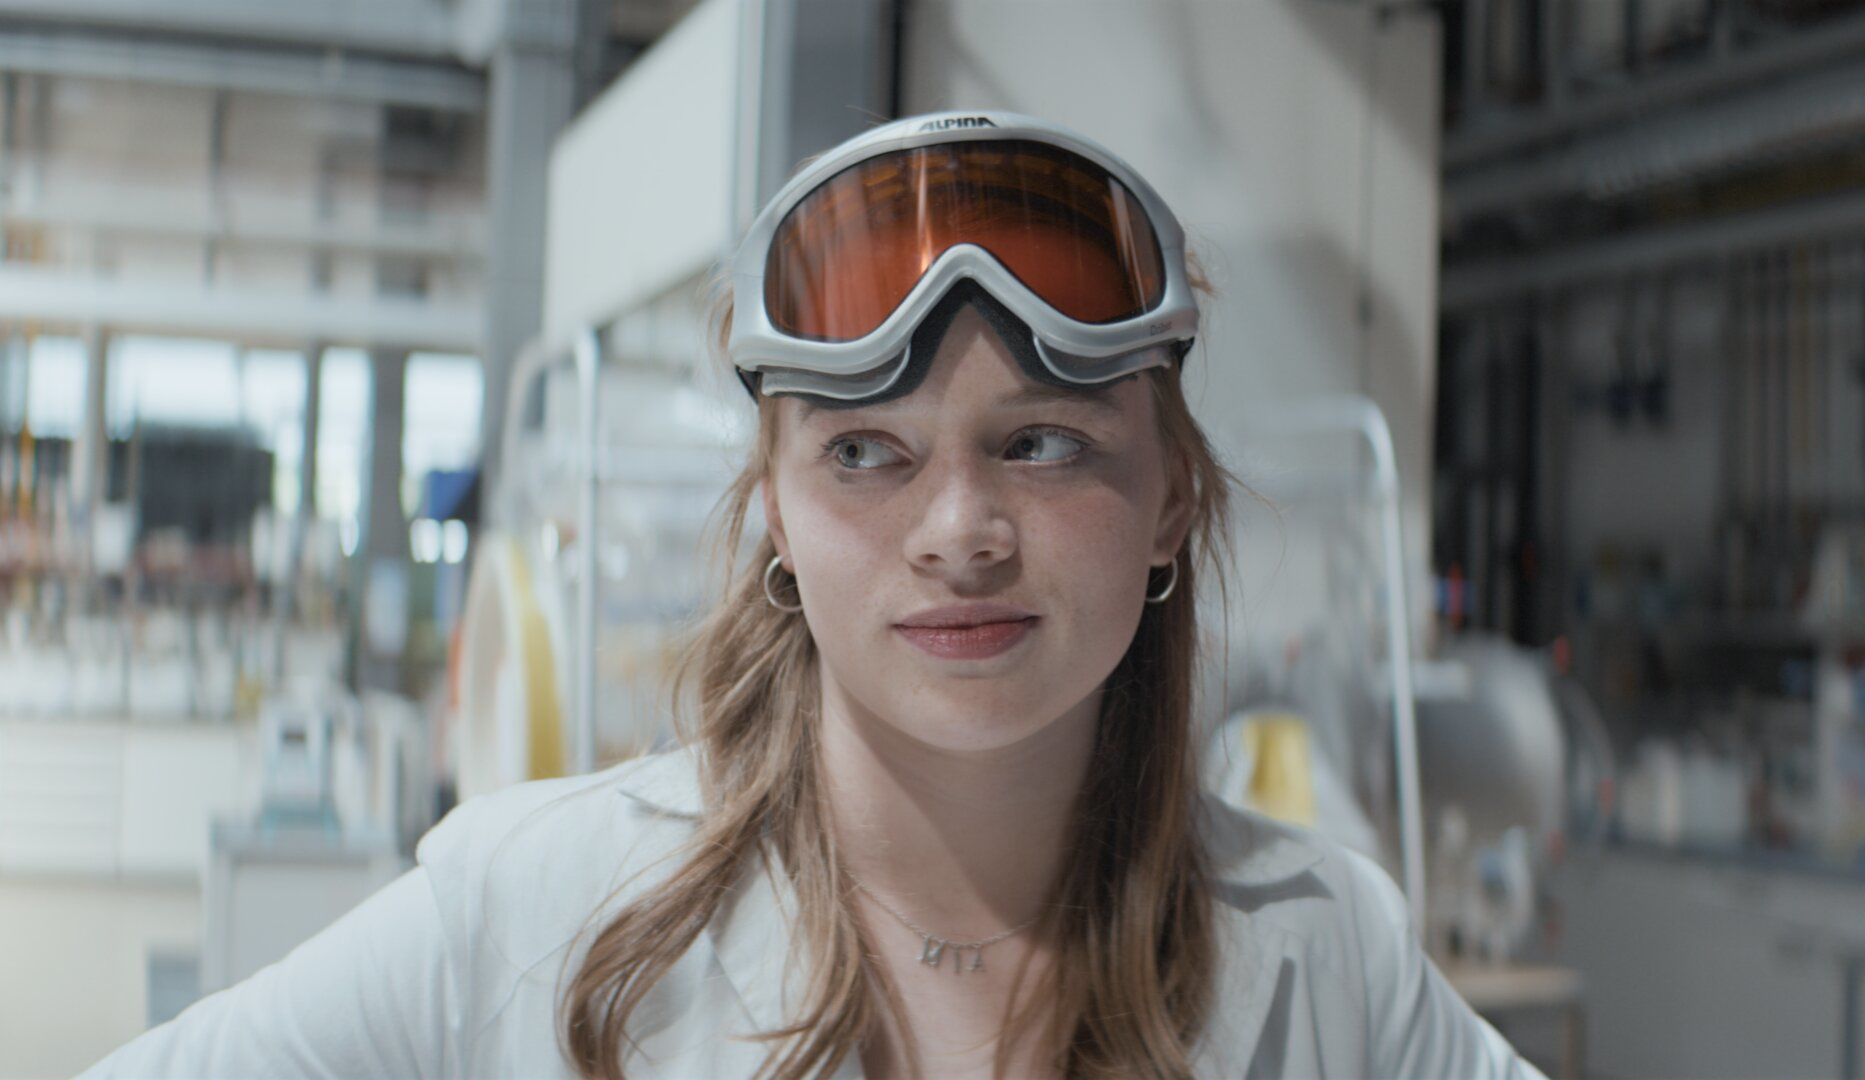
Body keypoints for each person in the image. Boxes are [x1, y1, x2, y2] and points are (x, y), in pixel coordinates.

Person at [86, 111, 1545, 1079]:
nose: (960, 532)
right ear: (775, 513)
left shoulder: (1329, 951)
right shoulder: (530, 916)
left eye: (1042, 443)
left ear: (1171, 498)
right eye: (865, 453)